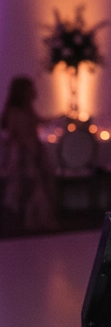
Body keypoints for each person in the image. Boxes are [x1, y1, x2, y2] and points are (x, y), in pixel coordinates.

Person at [0, 76, 57, 232]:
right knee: (28, 185)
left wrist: (60, 117)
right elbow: (13, 135)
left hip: (33, 151)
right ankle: (27, 221)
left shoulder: (28, 109)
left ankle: (35, 219)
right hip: (21, 154)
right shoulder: (14, 112)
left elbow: (39, 121)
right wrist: (26, 151)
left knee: (38, 184)